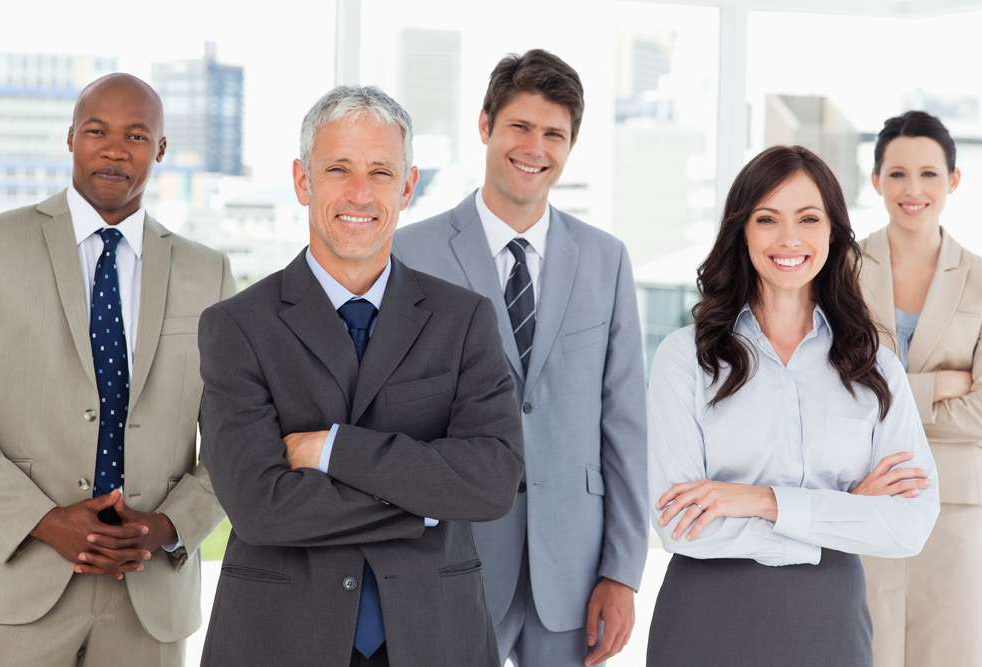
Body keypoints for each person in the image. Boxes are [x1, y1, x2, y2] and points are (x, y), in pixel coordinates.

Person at [197, 85, 524, 667]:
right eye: (338, 169)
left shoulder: (464, 319)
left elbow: (492, 481)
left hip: (435, 634)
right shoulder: (236, 326)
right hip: (279, 638)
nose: (359, 193)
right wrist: (426, 503)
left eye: (379, 172)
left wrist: (332, 451)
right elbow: (258, 506)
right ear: (303, 181)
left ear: (407, 186)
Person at [394, 49, 648, 667]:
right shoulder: (410, 253)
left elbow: (625, 424)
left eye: (554, 134)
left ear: (570, 145)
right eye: (520, 127)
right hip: (451, 555)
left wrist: (623, 570)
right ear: (485, 126)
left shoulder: (605, 259)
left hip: (573, 569)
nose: (536, 147)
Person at [644, 145, 940, 667]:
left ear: (833, 232)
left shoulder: (874, 366)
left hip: (830, 623)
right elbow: (680, 524)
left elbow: (908, 527)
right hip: (705, 622)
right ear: (742, 232)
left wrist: (759, 500)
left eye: (808, 218)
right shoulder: (685, 359)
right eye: (767, 219)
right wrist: (847, 507)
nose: (789, 239)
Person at [0, 74, 233, 666]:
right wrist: (42, 521)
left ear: (161, 150)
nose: (115, 149)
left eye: (137, 135)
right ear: (70, 137)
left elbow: (233, 435)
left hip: (150, 601)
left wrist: (170, 526)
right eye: (97, 131)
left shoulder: (208, 274)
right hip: (18, 589)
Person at [858, 110, 982, 667]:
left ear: (953, 181)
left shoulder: (980, 279)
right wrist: (937, 386)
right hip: (861, 493)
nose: (913, 190)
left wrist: (888, 397)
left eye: (929, 174)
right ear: (876, 181)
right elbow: (828, 393)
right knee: (863, 650)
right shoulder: (838, 270)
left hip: (956, 510)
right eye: (898, 174)